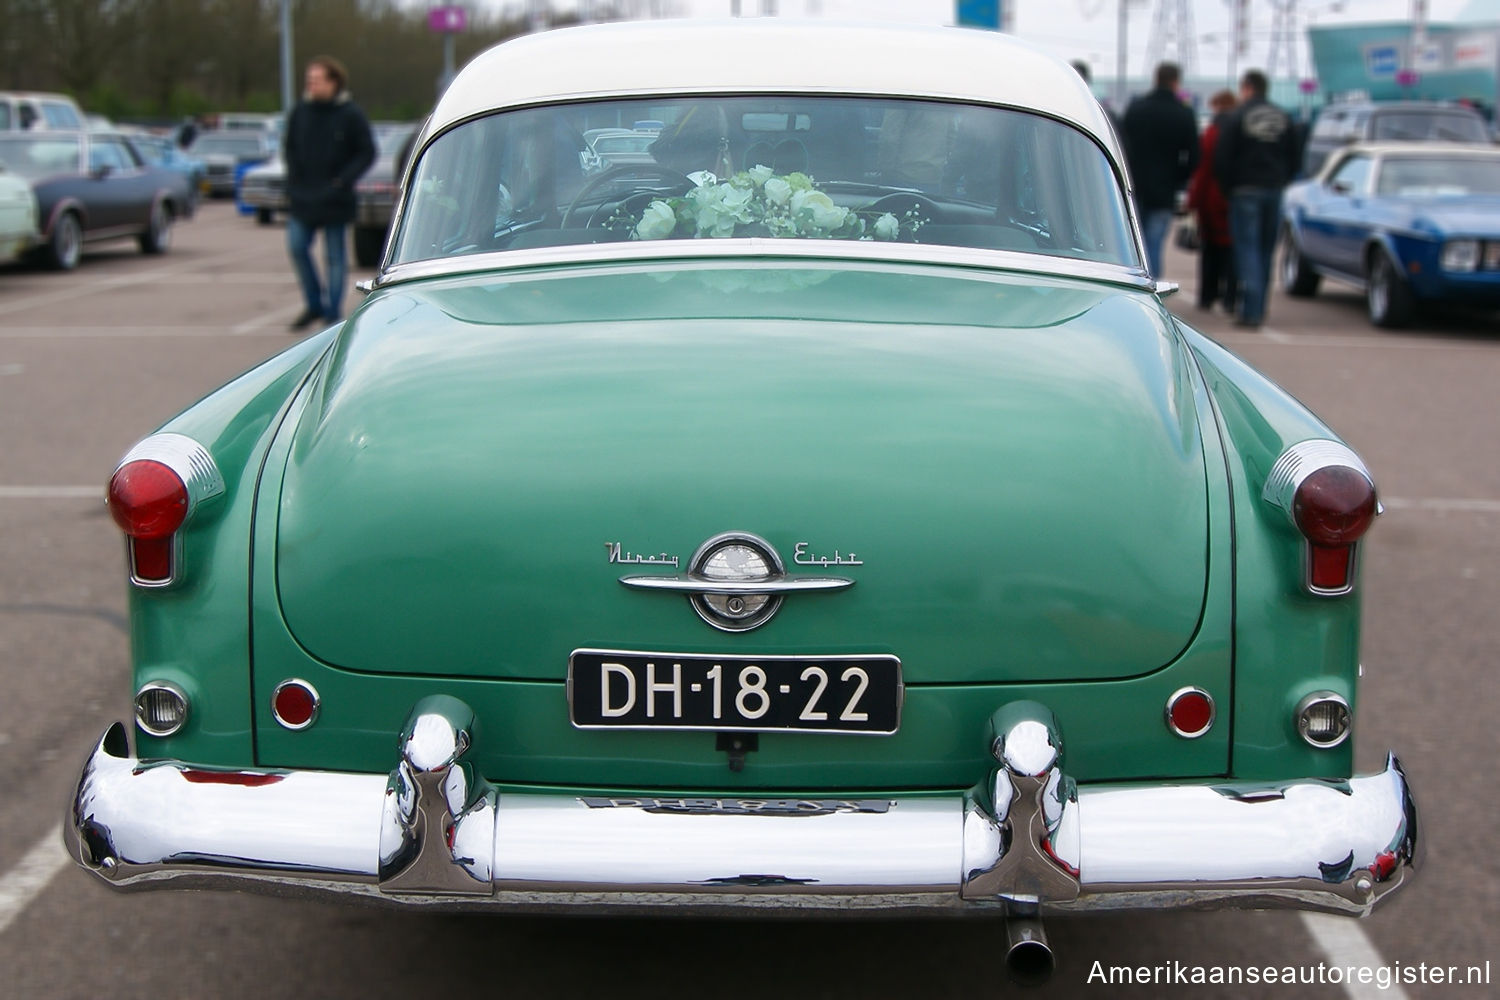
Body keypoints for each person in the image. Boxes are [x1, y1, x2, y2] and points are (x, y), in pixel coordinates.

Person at [283, 55, 375, 331]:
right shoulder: (300, 112)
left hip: (336, 198)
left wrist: (342, 181)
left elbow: (367, 152)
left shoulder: (350, 114)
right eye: (309, 79)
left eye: (317, 79)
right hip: (303, 197)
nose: (311, 84)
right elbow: (289, 148)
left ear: (333, 82)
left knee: (335, 257)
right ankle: (313, 304)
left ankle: (332, 313)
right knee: (297, 246)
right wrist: (294, 181)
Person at [1214, 69, 1300, 330]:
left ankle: (1250, 311)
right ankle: (1260, 307)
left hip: (1244, 189)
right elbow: (1295, 155)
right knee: (1266, 250)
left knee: (1247, 249)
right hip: (1273, 189)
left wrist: (1229, 187)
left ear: (1248, 87)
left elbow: (1222, 156)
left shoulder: (1237, 116)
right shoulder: (1283, 117)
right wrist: (1282, 180)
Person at [1121, 62, 1198, 278]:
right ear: (1176, 83)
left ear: (1156, 79)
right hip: (1165, 190)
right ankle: (1151, 289)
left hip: (1133, 186)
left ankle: (1133, 285)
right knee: (1154, 243)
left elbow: (1121, 144)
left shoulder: (1136, 109)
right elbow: (1194, 156)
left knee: (1134, 245)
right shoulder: (1183, 114)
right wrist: (1179, 179)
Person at [1186, 89, 1237, 314]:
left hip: (1212, 200)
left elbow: (1203, 169)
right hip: (1233, 200)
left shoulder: (1212, 132)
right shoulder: (1239, 131)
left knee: (1210, 251)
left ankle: (1207, 296)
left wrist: (1193, 201)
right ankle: (1231, 297)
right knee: (1232, 252)